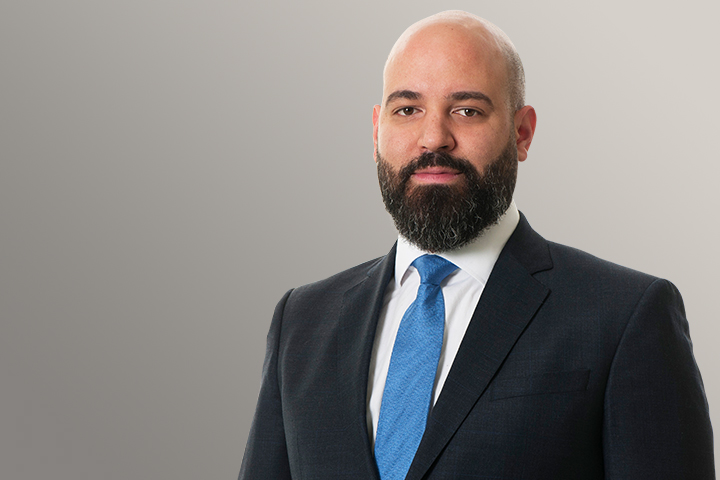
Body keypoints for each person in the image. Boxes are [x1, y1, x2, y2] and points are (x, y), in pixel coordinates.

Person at [240, 10, 714, 480]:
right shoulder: (302, 322)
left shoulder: (624, 315)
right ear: (377, 130)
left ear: (521, 132)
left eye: (467, 110)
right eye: (407, 110)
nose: (433, 138)